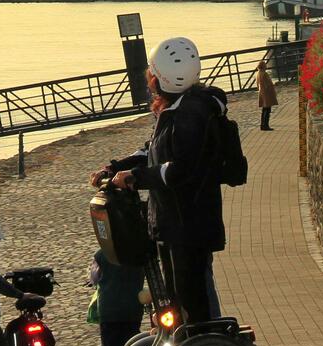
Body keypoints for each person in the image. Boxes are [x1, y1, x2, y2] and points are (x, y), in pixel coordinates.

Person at [95, 36, 228, 325]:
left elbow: (178, 170)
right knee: (179, 299)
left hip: (187, 226)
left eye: (151, 73)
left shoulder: (191, 114)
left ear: (159, 78)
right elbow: (153, 150)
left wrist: (134, 178)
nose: (149, 78)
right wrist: (116, 167)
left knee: (194, 299)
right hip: (174, 224)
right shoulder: (177, 108)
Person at [90, 248, 144, 346]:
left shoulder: (102, 254)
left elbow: (94, 278)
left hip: (110, 310)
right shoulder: (138, 252)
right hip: (132, 308)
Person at [255, 53, 278, 131]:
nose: (266, 66)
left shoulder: (258, 74)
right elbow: (268, 84)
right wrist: (273, 89)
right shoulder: (264, 74)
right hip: (267, 94)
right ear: (263, 66)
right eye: (265, 65)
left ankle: (262, 125)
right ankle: (266, 125)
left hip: (262, 93)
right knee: (267, 110)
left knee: (264, 110)